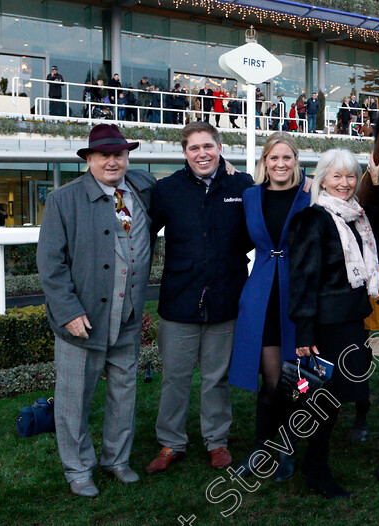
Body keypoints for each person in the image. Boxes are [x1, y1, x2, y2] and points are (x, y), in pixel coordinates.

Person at [36, 124, 155, 497]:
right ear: (88, 160)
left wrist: (228, 169)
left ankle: (117, 460)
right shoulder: (63, 200)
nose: (112, 161)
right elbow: (50, 265)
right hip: (82, 321)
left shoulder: (141, 188)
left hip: (128, 318)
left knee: (124, 395)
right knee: (73, 400)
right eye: (103, 155)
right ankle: (78, 469)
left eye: (119, 154)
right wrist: (68, 312)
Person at [145, 122, 253, 475]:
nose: (202, 153)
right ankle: (171, 442)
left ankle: (217, 440)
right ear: (184, 153)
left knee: (216, 376)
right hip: (179, 299)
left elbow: (262, 224)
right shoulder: (167, 189)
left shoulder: (242, 184)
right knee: (174, 377)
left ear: (220, 147)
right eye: (194, 148)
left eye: (208, 146)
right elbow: (141, 231)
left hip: (226, 296)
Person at [287, 148, 379, 499]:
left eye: (351, 176)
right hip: (324, 327)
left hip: (350, 322)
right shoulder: (313, 219)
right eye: (337, 176)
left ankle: (314, 462)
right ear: (323, 179)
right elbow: (302, 279)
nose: (345, 183)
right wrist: (304, 331)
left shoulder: (355, 216)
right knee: (320, 400)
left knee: (335, 399)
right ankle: (315, 469)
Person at [229, 132, 310, 483]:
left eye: (287, 158)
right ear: (264, 161)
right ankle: (263, 450)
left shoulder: (310, 194)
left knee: (294, 381)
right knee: (272, 380)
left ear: (296, 161)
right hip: (261, 294)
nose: (280, 164)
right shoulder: (250, 195)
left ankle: (286, 450)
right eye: (273, 158)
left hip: (296, 295)